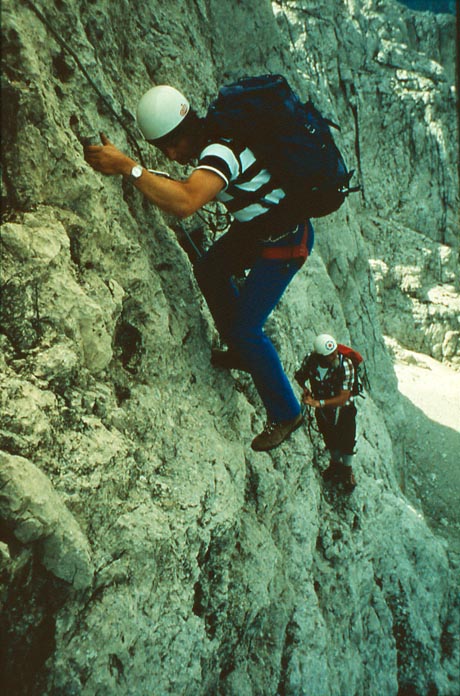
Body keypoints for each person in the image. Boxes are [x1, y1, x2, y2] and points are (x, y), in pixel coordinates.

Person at [84, 83, 314, 451]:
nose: (172, 155)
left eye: (170, 147)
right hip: (260, 228)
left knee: (246, 327)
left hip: (284, 241)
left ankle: (286, 412)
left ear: (181, 135)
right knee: (211, 268)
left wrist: (128, 167)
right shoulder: (216, 137)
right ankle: (241, 352)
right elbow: (192, 184)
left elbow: (186, 201)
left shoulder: (220, 151)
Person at [294, 333, 357, 490]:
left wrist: (318, 403)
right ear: (320, 356)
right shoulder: (311, 360)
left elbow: (343, 397)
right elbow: (300, 376)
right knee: (329, 437)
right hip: (323, 408)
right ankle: (335, 464)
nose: (335, 356)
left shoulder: (346, 364)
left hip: (344, 409)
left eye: (335, 352)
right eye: (330, 355)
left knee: (347, 440)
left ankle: (347, 470)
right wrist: (305, 389)